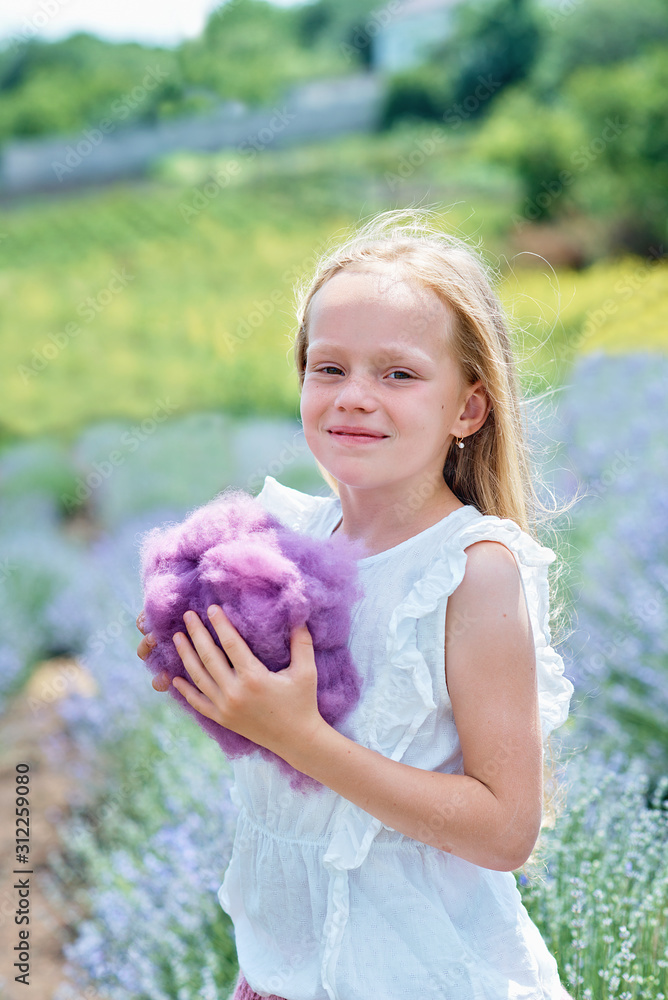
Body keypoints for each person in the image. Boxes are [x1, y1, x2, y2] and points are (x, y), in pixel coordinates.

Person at [137, 209, 575, 1000]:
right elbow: (290, 784)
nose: (353, 398)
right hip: (282, 975)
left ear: (468, 410)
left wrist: (298, 735)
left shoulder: (470, 572)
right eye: (328, 367)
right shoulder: (290, 543)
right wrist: (203, 666)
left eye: (398, 374)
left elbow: (506, 830)